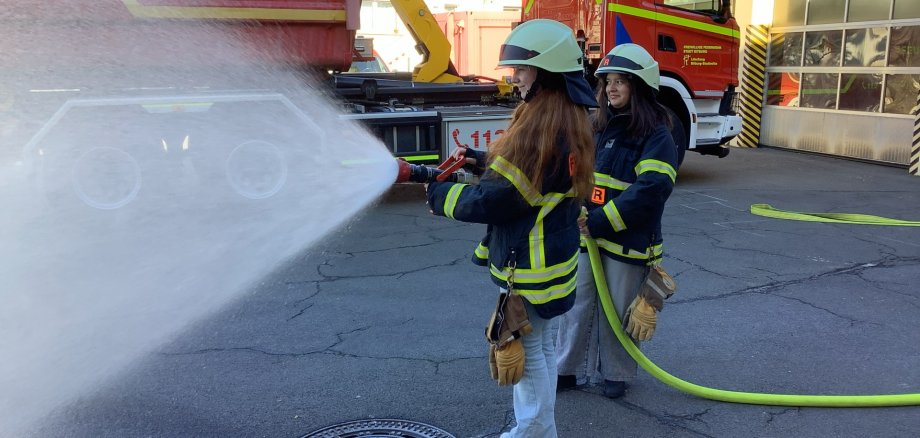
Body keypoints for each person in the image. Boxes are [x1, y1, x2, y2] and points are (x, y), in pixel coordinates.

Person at [425, 19, 596, 438]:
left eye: (522, 69)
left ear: (548, 73)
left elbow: (497, 200)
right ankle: (538, 430)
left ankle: (531, 432)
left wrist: (438, 196)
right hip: (552, 264)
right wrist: (481, 160)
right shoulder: (565, 121)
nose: (514, 77)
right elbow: (531, 183)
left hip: (530, 270)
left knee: (531, 353)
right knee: (542, 348)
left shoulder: (542, 131)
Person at [555, 43, 678, 399]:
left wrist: (600, 222)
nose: (611, 88)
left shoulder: (656, 135)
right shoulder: (598, 127)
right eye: (608, 81)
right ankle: (567, 369)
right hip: (588, 235)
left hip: (627, 240)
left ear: (640, 87)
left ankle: (617, 374)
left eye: (621, 81)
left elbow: (651, 190)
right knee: (577, 304)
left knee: (619, 311)